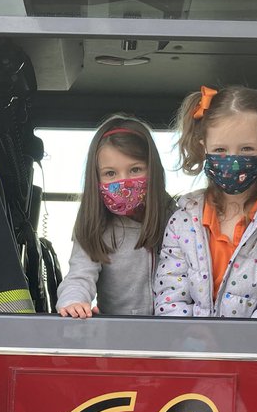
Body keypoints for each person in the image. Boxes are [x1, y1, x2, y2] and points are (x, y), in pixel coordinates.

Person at [154, 85, 257, 318]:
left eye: (246, 149)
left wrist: (240, 348)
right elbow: (170, 296)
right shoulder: (183, 220)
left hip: (253, 350)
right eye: (220, 149)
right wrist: (192, 343)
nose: (233, 161)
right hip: (192, 348)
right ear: (204, 149)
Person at [56, 116, 174, 318]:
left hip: (170, 331)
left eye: (135, 170)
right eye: (110, 173)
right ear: (96, 178)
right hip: (115, 333)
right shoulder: (94, 225)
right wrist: (74, 301)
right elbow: (80, 276)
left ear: (152, 170)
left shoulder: (174, 218)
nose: (124, 182)